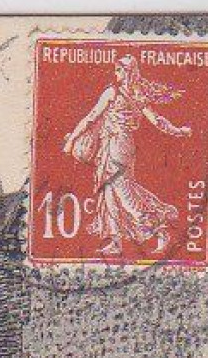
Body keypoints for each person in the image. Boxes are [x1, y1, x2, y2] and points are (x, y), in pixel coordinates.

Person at [61, 53, 194, 257]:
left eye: (119, 69)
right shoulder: (137, 94)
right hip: (119, 144)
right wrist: (178, 130)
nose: (116, 73)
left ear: (127, 71)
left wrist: (71, 140)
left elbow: (90, 118)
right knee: (108, 190)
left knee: (122, 190)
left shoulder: (112, 92)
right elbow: (158, 121)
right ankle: (115, 241)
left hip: (116, 143)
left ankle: (159, 229)